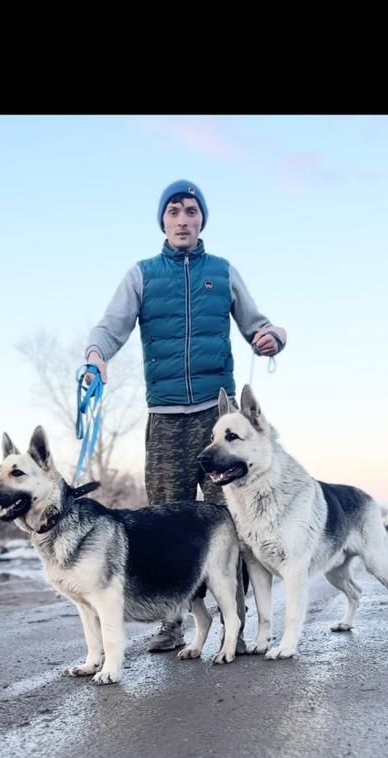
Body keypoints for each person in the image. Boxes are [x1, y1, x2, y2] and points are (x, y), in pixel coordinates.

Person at [84, 180, 286, 651]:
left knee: (228, 521)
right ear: (163, 220)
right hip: (166, 418)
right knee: (164, 519)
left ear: (201, 220)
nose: (182, 219)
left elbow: (257, 322)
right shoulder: (142, 275)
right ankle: (171, 620)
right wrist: (96, 355)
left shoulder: (223, 271)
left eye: (191, 211)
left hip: (218, 421)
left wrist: (271, 335)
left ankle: (237, 620)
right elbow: (110, 326)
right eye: (173, 211)